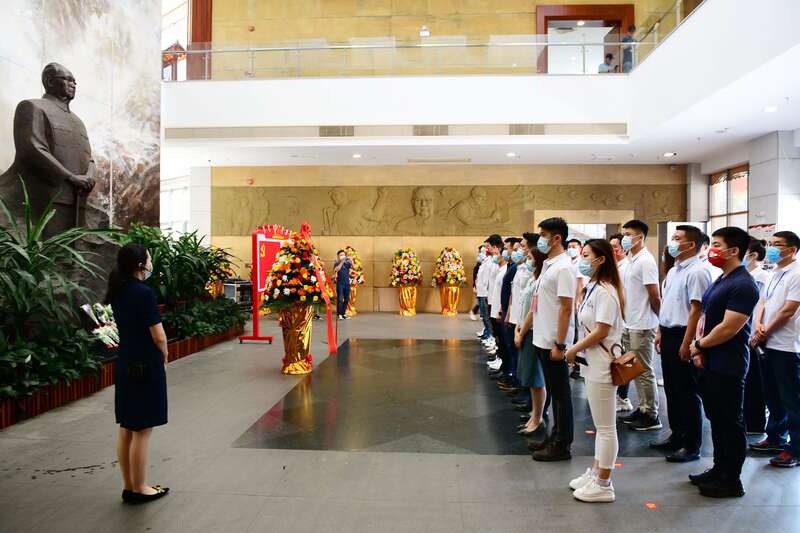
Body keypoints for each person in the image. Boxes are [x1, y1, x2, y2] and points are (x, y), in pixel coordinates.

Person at [689, 226, 759, 498]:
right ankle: (719, 468)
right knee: (717, 419)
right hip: (712, 360)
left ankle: (732, 480)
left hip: (728, 363)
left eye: (717, 244)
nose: (712, 250)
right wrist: (699, 347)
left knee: (730, 422)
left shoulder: (744, 284)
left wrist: (699, 345)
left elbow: (729, 327)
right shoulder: (722, 278)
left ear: (734, 251)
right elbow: (707, 316)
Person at [104, 244, 169, 504]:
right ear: (141, 264)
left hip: (125, 363)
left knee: (127, 427)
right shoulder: (144, 293)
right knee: (142, 430)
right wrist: (165, 354)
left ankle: (129, 486)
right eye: (149, 258)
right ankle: (141, 487)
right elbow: (158, 335)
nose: (151, 262)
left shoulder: (118, 290)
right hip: (145, 366)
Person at [565, 238, 625, 502]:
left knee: (606, 427)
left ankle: (604, 483)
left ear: (601, 260)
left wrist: (573, 349)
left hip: (602, 364)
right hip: (592, 362)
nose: (582, 260)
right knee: (600, 426)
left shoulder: (606, 291)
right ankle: (595, 472)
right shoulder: (593, 287)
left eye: (587, 255)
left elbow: (601, 330)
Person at [651, 225, 711, 463]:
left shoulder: (698, 271)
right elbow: (667, 304)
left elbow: (697, 311)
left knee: (687, 392)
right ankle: (677, 434)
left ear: (691, 245)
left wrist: (688, 343)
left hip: (683, 335)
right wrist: (660, 331)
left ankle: (692, 444)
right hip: (668, 332)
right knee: (672, 389)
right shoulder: (675, 270)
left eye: (677, 238)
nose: (672, 243)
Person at [750, 231, 800, 468]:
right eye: (771, 243)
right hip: (768, 341)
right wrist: (758, 325)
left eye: (777, 245)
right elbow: (762, 302)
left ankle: (796, 449)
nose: (771, 248)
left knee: (792, 399)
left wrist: (765, 331)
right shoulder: (773, 273)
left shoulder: (797, 273)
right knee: (773, 396)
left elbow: (789, 310)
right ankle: (776, 437)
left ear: (792, 250)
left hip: (787, 345)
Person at [529, 217, 576, 461]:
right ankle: (554, 435)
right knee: (554, 392)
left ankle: (562, 444)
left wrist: (560, 344)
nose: (540, 240)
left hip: (554, 341)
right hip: (543, 337)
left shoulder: (564, 267)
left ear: (557, 238)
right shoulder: (550, 264)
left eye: (544, 235)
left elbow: (566, 308)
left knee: (561, 394)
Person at [618, 220, 662, 431]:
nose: (625, 238)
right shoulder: (631, 260)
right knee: (635, 370)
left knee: (644, 370)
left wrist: (659, 322)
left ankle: (651, 415)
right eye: (624, 234)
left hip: (643, 324)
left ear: (640, 237)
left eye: (628, 234)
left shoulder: (646, 261)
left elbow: (655, 296)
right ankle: (642, 407)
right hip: (630, 322)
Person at [515, 233, 548, 436]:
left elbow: (533, 312)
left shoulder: (539, 282)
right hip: (524, 330)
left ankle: (538, 418)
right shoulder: (532, 280)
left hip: (533, 332)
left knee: (536, 379)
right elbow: (523, 307)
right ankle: (534, 415)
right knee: (529, 378)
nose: (527, 261)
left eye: (530, 258)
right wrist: (518, 329)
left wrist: (522, 332)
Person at [742, 238, 769, 433]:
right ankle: (749, 419)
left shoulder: (761, 277)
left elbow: (761, 309)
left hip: (755, 335)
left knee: (755, 383)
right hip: (744, 335)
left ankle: (756, 423)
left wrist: (756, 333)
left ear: (753, 255)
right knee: (747, 381)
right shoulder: (744, 275)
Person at [609, 233, 633, 412]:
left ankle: (623, 397)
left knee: (624, 360)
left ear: (623, 249)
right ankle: (619, 395)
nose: (611, 250)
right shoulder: (616, 268)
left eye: (614, 247)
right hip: (615, 320)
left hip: (624, 321)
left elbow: (624, 298)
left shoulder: (626, 268)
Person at [500, 237, 527, 398]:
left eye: (520, 248)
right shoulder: (517, 268)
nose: (516, 252)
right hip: (513, 316)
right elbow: (512, 293)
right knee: (512, 350)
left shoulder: (525, 270)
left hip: (522, 320)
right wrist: (508, 312)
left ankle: (519, 384)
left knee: (519, 355)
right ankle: (516, 381)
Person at [489, 237, 509, 383]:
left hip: (500, 312)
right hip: (495, 309)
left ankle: (507, 370)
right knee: (500, 340)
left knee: (504, 342)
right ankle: (504, 367)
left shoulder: (506, 270)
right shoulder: (501, 270)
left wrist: (501, 311)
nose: (495, 255)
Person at [475, 240, 496, 346]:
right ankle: (487, 333)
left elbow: (488, 279)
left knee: (487, 316)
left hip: (486, 293)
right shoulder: (486, 260)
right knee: (483, 315)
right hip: (481, 291)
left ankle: (491, 335)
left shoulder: (492, 261)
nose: (485, 249)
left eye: (487, 247)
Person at [333, 249, 352, 320]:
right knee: (340, 299)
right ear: (338, 256)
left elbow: (353, 267)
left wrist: (351, 260)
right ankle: (339, 314)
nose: (342, 256)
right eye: (341, 255)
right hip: (340, 283)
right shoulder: (336, 263)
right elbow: (336, 270)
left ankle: (343, 313)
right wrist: (342, 262)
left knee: (347, 299)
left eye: (343, 255)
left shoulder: (347, 263)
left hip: (347, 283)